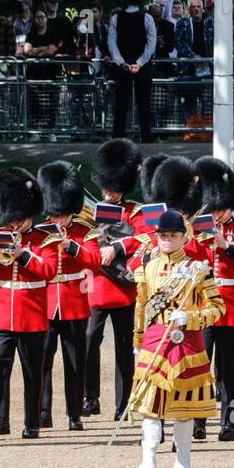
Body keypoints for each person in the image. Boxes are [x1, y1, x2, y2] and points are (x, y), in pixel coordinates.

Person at [130, 210, 225, 468]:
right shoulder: (147, 268)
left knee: (184, 408)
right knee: (150, 406)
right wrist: (138, 341)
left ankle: (183, 464)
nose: (167, 240)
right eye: (163, 236)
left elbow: (218, 308)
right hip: (155, 340)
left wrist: (191, 318)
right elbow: (141, 308)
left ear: (184, 237)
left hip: (187, 339)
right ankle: (147, 463)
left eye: (173, 235)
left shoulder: (198, 269)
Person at [0, 167, 59, 439]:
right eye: (12, 218)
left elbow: (48, 270)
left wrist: (22, 254)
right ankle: (0, 419)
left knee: (32, 374)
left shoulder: (43, 240)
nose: (15, 224)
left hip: (32, 316)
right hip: (2, 316)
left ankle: (32, 422)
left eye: (19, 219)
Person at [185, 157, 234, 441]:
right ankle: (199, 420)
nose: (216, 215)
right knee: (201, 366)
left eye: (220, 210)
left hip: (232, 308)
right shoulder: (198, 230)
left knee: (231, 370)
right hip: (203, 306)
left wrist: (228, 246)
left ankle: (229, 422)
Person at [84, 138, 151, 420]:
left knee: (125, 348)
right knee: (89, 341)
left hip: (124, 288)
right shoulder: (92, 211)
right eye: (106, 186)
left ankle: (123, 403)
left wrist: (118, 247)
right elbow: (84, 238)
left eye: (113, 186)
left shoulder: (135, 211)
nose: (108, 191)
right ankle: (91, 397)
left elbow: (146, 236)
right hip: (98, 286)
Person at [37, 161, 101, 431]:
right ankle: (42, 411)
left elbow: (95, 260)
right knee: (42, 362)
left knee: (75, 363)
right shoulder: (41, 230)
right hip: (47, 303)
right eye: (54, 213)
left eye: (61, 214)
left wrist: (70, 245)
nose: (56, 219)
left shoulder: (84, 230)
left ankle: (74, 413)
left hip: (74, 302)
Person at [107, 0, 157, 142]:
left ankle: (116, 140)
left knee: (121, 105)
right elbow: (151, 44)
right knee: (144, 105)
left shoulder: (116, 18)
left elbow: (111, 44)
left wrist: (122, 63)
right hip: (143, 67)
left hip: (123, 67)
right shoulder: (147, 18)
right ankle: (147, 140)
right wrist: (140, 62)